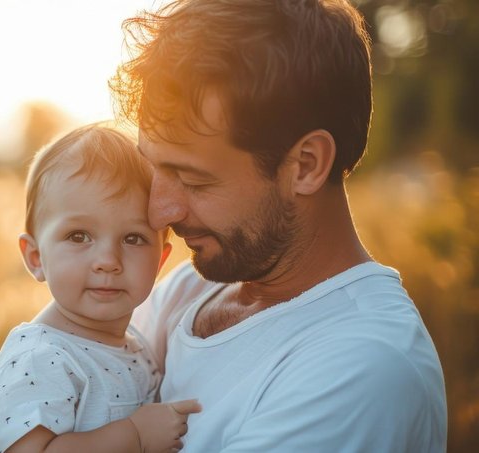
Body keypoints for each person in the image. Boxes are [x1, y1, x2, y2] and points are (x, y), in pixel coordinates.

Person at [108, 0, 447, 451]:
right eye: (154, 170)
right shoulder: (189, 288)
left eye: (192, 179)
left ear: (305, 165)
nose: (159, 212)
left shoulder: (363, 367)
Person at [0, 123, 202, 453]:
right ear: (36, 257)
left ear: (160, 261)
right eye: (78, 236)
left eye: (132, 238)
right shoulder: (38, 358)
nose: (108, 260)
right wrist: (135, 436)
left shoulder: (137, 347)